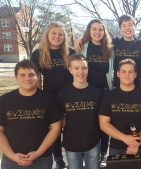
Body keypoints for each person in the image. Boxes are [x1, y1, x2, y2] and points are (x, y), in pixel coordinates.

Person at [0, 60, 62, 169]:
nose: (27, 78)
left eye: (31, 74)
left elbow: (55, 129)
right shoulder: (4, 100)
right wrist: (12, 156)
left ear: (37, 77)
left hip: (42, 159)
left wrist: (37, 153)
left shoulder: (50, 100)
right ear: (16, 77)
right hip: (10, 160)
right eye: (22, 75)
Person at [30, 22, 75, 169]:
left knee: (70, 127)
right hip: (50, 97)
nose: (57, 36)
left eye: (60, 34)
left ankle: (72, 156)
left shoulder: (71, 52)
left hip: (70, 96)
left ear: (64, 37)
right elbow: (34, 76)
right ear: (47, 35)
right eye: (54, 33)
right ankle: (58, 158)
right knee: (54, 129)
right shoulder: (38, 54)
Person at [99, 59, 141, 155]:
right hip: (116, 148)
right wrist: (125, 138)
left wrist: (136, 143)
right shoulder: (109, 96)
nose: (127, 74)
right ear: (117, 74)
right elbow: (104, 124)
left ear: (135, 74)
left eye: (131, 72)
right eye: (123, 71)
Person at [57, 54, 105, 169]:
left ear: (88, 69)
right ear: (70, 70)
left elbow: (102, 121)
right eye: (76, 68)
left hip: (93, 143)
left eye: (84, 68)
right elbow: (60, 121)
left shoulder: (98, 93)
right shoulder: (62, 94)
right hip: (71, 144)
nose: (81, 72)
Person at [77, 18, 113, 167]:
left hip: (104, 91)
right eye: (94, 29)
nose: (97, 32)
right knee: (88, 122)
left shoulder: (110, 48)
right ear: (89, 31)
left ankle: (103, 153)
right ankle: (87, 152)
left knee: (104, 123)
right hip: (86, 90)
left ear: (104, 32)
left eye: (101, 29)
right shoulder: (82, 46)